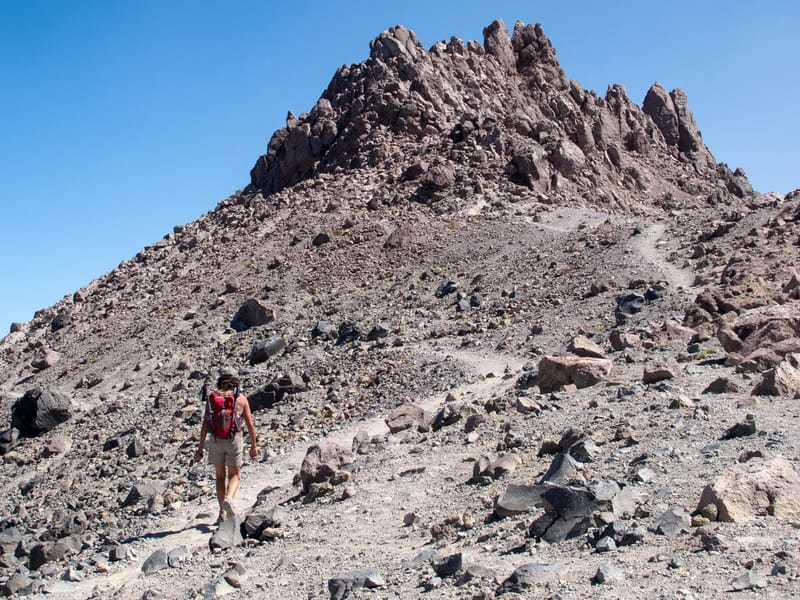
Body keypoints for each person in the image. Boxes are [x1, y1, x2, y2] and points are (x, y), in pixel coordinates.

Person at [194, 370, 258, 522]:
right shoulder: (240, 399)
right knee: (234, 475)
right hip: (234, 440)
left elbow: (205, 424)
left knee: (220, 477)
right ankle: (229, 498)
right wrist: (253, 446)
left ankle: (222, 512)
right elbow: (249, 423)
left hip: (216, 441)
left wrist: (200, 448)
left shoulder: (212, 398)